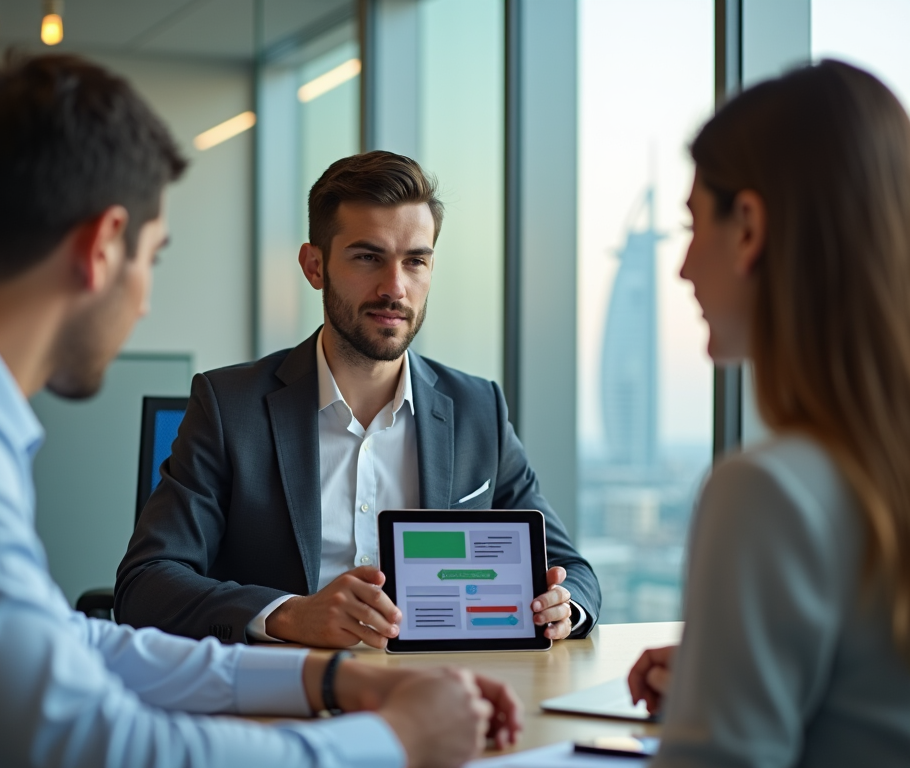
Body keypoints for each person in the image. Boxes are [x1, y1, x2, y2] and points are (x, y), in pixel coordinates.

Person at [0, 52, 524, 768]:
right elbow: (95, 743)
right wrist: (394, 741)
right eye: (152, 257)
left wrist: (324, 677)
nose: (145, 300)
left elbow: (75, 642)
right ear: (102, 249)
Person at [114, 151, 601, 648]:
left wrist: (566, 608)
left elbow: (572, 571)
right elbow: (146, 583)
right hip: (286, 699)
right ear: (315, 265)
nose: (395, 287)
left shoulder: (479, 410)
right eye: (368, 257)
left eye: (415, 261)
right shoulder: (229, 407)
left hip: (433, 694)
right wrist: (289, 616)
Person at [626, 60, 910, 766]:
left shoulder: (769, 491)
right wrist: (726, 665)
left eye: (695, 225)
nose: (684, 266)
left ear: (748, 227)